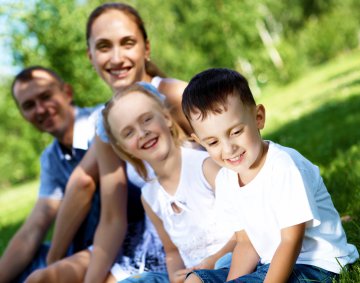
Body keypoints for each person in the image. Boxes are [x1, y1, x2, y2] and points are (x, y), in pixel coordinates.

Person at [26, 3, 191, 283]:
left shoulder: (175, 96)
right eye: (104, 47)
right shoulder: (105, 126)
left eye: (127, 43)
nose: (116, 58)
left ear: (146, 48)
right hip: (141, 243)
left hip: (191, 238)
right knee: (40, 279)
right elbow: (113, 220)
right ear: (90, 56)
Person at [181, 68, 359, 283]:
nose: (228, 149)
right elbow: (246, 243)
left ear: (258, 118)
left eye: (236, 132)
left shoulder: (283, 166)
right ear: (200, 142)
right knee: (193, 281)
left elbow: (291, 240)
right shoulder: (226, 179)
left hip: (314, 265)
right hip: (268, 265)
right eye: (213, 142)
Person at [102, 83, 235, 283]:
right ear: (124, 148)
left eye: (146, 119)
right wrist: (175, 276)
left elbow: (248, 229)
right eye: (129, 132)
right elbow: (172, 252)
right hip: (193, 275)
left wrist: (212, 262)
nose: (142, 132)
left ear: (166, 118)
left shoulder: (205, 167)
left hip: (233, 263)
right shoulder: (149, 196)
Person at [0, 66, 101, 283]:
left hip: (115, 245)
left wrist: (53, 262)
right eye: (29, 105)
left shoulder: (102, 122)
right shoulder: (51, 158)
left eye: (46, 96)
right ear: (23, 115)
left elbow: (84, 184)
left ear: (67, 93)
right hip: (82, 248)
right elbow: (34, 227)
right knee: (25, 261)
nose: (41, 109)